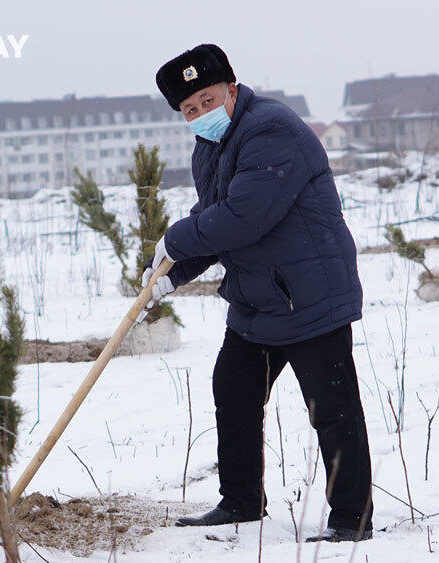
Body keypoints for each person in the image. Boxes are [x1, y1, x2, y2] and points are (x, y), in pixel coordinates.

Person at [143, 44, 373, 542]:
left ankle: (351, 519)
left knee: (332, 411)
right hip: (257, 301)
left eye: (206, 100)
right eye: (189, 110)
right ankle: (241, 502)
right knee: (234, 392)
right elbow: (216, 222)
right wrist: (171, 272)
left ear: (231, 88)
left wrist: (174, 240)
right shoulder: (211, 148)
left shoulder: (271, 129)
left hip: (311, 297)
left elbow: (243, 217)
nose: (201, 114)